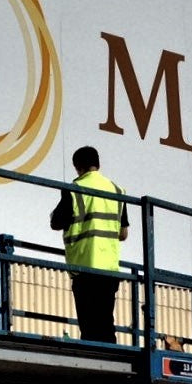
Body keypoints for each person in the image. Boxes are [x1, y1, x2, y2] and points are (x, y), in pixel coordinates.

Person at [49, 146, 129, 343]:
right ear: (98, 164)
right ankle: (111, 361)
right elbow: (123, 233)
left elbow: (56, 223)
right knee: (106, 322)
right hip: (109, 269)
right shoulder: (117, 190)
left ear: (77, 167)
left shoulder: (74, 190)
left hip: (84, 266)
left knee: (89, 325)